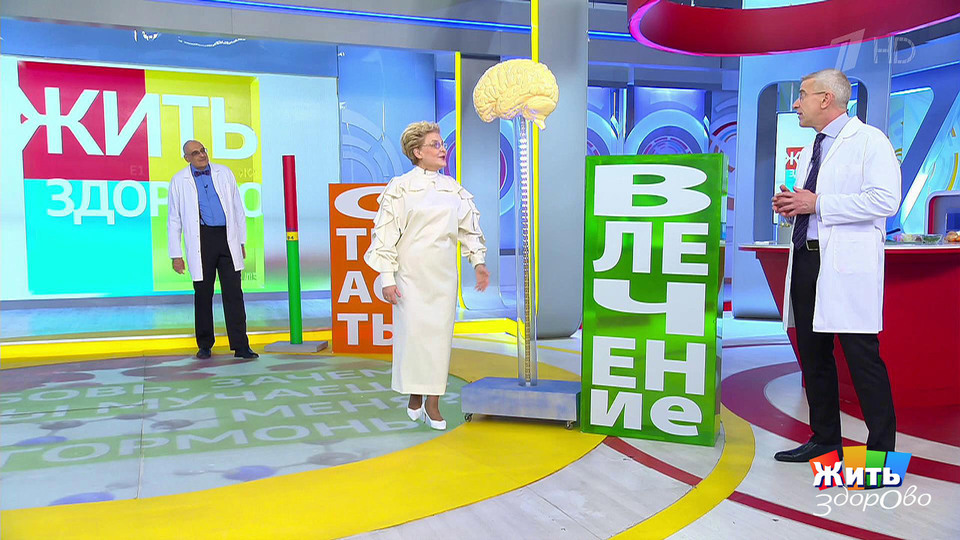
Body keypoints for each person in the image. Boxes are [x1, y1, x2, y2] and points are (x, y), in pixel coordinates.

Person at [772, 69, 900, 462]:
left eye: (803, 94)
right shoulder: (814, 146)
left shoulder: (870, 141)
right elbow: (817, 203)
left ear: (826, 98)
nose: (797, 103)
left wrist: (818, 204)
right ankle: (825, 440)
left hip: (845, 265)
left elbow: (885, 200)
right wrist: (796, 206)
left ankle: (881, 457)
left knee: (862, 359)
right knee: (814, 357)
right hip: (808, 259)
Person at [364, 121, 490, 430]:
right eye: (435, 144)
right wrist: (387, 278)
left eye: (441, 143)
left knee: (438, 341)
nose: (442, 149)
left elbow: (469, 230)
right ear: (417, 152)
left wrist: (478, 262)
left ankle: (433, 403)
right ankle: (414, 394)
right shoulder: (400, 188)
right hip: (410, 276)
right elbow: (385, 236)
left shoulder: (453, 190)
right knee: (414, 339)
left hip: (443, 278)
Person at [168, 140, 258, 360]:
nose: (201, 155)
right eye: (195, 153)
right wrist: (176, 255)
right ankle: (205, 344)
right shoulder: (179, 180)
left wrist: (241, 241)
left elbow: (237, 208)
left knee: (234, 293)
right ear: (187, 158)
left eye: (203, 150)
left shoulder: (224, 173)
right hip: (201, 240)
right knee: (203, 294)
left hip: (227, 238)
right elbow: (174, 218)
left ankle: (241, 345)